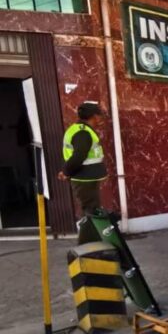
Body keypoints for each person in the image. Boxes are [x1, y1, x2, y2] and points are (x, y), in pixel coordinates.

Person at [58, 102, 107, 244]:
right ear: (93, 116)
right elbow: (79, 156)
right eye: (99, 115)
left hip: (87, 177)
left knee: (92, 210)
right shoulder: (83, 132)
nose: (101, 119)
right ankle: (87, 245)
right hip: (84, 178)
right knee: (90, 211)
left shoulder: (81, 129)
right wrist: (66, 172)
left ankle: (92, 242)